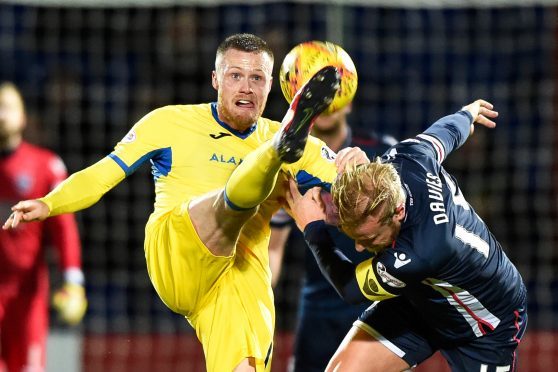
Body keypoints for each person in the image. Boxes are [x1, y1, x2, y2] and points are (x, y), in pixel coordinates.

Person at [2, 34, 362, 372]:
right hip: (177, 247)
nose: (246, 87)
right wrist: (51, 203)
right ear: (215, 80)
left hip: (238, 276)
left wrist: (361, 165)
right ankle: (275, 155)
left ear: (272, 85)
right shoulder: (168, 122)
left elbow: (368, 190)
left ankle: (275, 153)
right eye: (235, 75)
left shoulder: (308, 147)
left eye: (257, 78)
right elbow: (103, 173)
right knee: (229, 204)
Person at [285, 99, 528, 372]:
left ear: (399, 212)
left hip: (484, 326)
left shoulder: (424, 250)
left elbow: (351, 288)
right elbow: (446, 132)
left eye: (369, 239)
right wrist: (467, 114)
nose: (359, 247)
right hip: (418, 301)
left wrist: (314, 229)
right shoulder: (408, 157)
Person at [268, 103, 396, 372]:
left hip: (379, 299)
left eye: (333, 93)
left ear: (349, 99)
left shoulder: (380, 151)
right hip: (319, 307)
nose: (325, 103)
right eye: (318, 91)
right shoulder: (288, 163)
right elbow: (273, 249)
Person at [0, 82, 87, 372]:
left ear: (23, 117)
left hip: (28, 296)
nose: (1, 114)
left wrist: (73, 281)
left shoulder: (45, 165)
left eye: (8, 106)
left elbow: (64, 229)